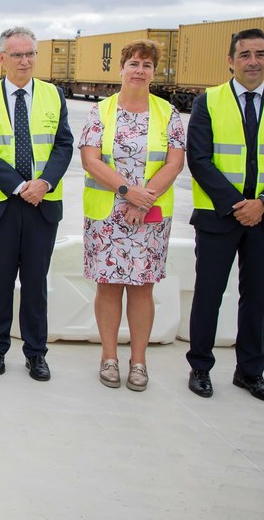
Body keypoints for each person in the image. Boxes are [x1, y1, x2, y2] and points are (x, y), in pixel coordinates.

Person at [186, 28, 264, 403]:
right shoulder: (209, 101)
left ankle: (250, 372)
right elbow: (199, 159)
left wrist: (263, 202)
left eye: (261, 54)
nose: (253, 61)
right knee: (208, 295)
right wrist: (239, 204)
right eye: (245, 54)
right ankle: (200, 368)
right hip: (218, 217)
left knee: (256, 297)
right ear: (231, 60)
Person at [79, 40, 185, 391]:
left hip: (149, 218)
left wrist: (144, 200)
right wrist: (127, 192)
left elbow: (175, 162)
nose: (140, 70)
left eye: (147, 65)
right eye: (134, 63)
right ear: (121, 68)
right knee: (108, 287)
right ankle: (109, 357)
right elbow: (91, 159)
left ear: (154, 72)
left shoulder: (167, 113)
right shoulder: (101, 112)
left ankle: (138, 361)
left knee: (142, 289)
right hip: (108, 216)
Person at [0, 26, 73, 381]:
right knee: (0, 279)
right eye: (16, 55)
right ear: (2, 59)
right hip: (1, 203)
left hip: (42, 203)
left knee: (35, 281)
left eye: (30, 53)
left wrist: (44, 183)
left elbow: (63, 145)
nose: (25, 61)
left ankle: (36, 353)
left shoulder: (54, 95)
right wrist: (18, 186)